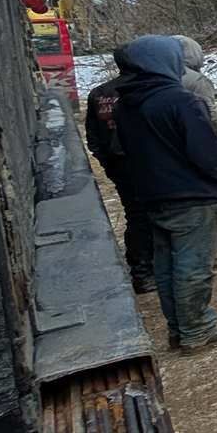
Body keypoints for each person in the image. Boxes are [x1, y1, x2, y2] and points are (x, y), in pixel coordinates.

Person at [114, 35, 217, 349]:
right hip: (192, 197)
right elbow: (207, 153)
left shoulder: (126, 105)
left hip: (154, 197)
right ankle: (199, 329)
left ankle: (179, 330)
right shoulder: (180, 100)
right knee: (193, 266)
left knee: (166, 266)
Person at [83, 46, 156, 294]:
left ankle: (142, 270)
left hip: (120, 166)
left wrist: (107, 163)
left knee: (135, 214)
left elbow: (92, 136)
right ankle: (145, 272)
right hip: (146, 164)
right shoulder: (145, 90)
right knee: (149, 216)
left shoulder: (99, 93)